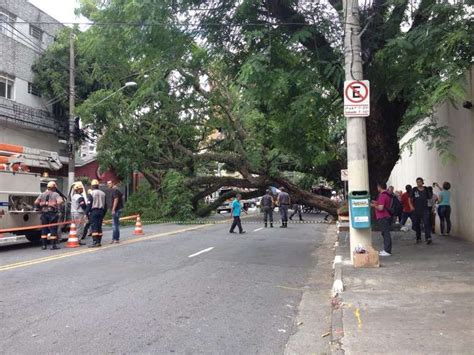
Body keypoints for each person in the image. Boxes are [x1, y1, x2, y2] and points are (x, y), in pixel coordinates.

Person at [34, 181, 64, 250]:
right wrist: (58, 209)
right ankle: (53, 245)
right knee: (53, 229)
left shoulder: (42, 194)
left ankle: (44, 245)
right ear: (53, 187)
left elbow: (36, 202)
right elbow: (60, 202)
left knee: (44, 229)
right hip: (52, 213)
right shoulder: (55, 194)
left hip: (44, 213)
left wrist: (39, 208)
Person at [371, 182, 393, 256]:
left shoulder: (382, 195)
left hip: (383, 216)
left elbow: (381, 208)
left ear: (379, 187)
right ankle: (386, 250)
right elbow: (382, 203)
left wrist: (373, 205)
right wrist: (375, 202)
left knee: (385, 233)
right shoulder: (387, 194)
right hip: (386, 216)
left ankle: (387, 250)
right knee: (385, 233)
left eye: (377, 187)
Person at [410, 177, 433, 244]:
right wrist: (411, 206)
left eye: (420, 182)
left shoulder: (426, 189)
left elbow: (429, 197)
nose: (418, 183)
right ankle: (418, 237)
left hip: (425, 209)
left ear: (422, 182)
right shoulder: (414, 189)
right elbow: (410, 198)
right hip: (416, 209)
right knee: (417, 224)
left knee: (426, 223)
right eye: (417, 182)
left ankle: (428, 237)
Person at [87, 179, 107, 248]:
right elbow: (105, 205)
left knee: (94, 226)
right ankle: (99, 242)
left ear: (92, 186)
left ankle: (95, 242)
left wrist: (87, 213)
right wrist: (103, 214)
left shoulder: (91, 193)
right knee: (99, 226)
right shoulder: (103, 193)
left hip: (94, 211)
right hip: (101, 211)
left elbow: (89, 204)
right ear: (98, 186)